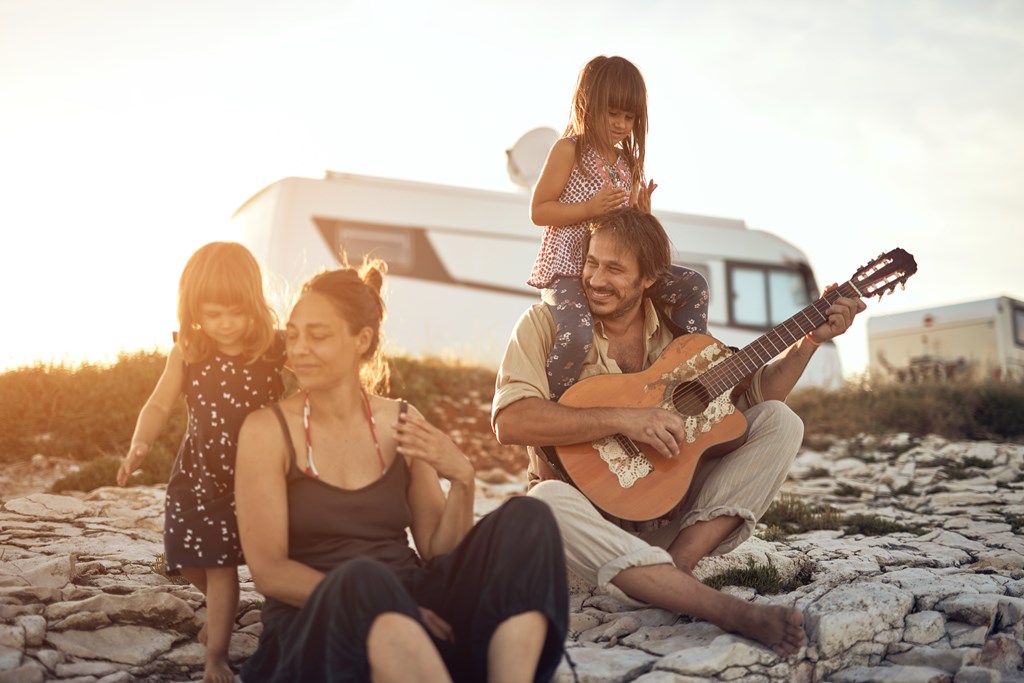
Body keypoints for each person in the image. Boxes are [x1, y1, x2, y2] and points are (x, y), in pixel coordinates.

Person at [493, 207, 867, 657]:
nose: (595, 278)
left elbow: (755, 400)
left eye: (614, 268)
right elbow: (510, 420)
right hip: (586, 532)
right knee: (543, 504)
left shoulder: (678, 339)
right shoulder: (545, 325)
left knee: (780, 421)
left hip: (665, 519)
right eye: (591, 262)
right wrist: (625, 419)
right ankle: (727, 611)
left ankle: (679, 568)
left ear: (649, 277)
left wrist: (810, 341)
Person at [234, 261, 568, 683]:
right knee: (361, 576)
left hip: (415, 603)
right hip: (320, 620)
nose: (298, 348)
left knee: (529, 518)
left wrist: (462, 478)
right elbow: (268, 570)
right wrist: (389, 604)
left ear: (362, 340)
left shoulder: (402, 421)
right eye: (294, 334)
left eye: (317, 336)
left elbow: (438, 551)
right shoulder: (267, 431)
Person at [117, 241, 286, 683]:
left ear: (254, 303)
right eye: (213, 314)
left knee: (219, 563)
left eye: (236, 312)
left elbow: (314, 373)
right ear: (193, 309)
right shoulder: (188, 351)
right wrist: (140, 443)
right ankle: (220, 604)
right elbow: (158, 404)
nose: (226, 325)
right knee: (182, 553)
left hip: (255, 475)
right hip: (198, 473)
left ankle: (217, 656)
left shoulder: (271, 347)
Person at [528, 55, 709, 400]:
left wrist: (640, 215)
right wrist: (589, 209)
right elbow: (539, 210)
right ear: (588, 103)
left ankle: (687, 372)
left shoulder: (627, 163)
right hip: (568, 267)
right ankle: (551, 408)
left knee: (693, 286)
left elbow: (623, 226)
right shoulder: (569, 150)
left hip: (617, 269)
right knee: (577, 334)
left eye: (629, 117)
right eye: (613, 113)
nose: (621, 124)